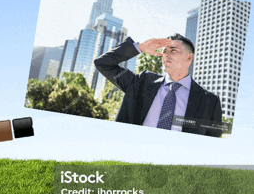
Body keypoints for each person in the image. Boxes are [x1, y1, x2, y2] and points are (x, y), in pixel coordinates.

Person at [93, 34, 223, 137]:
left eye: (173, 50)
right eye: (164, 51)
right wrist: (141, 47)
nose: (166, 55)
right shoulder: (141, 82)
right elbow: (103, 63)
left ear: (189, 58)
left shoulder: (210, 102)